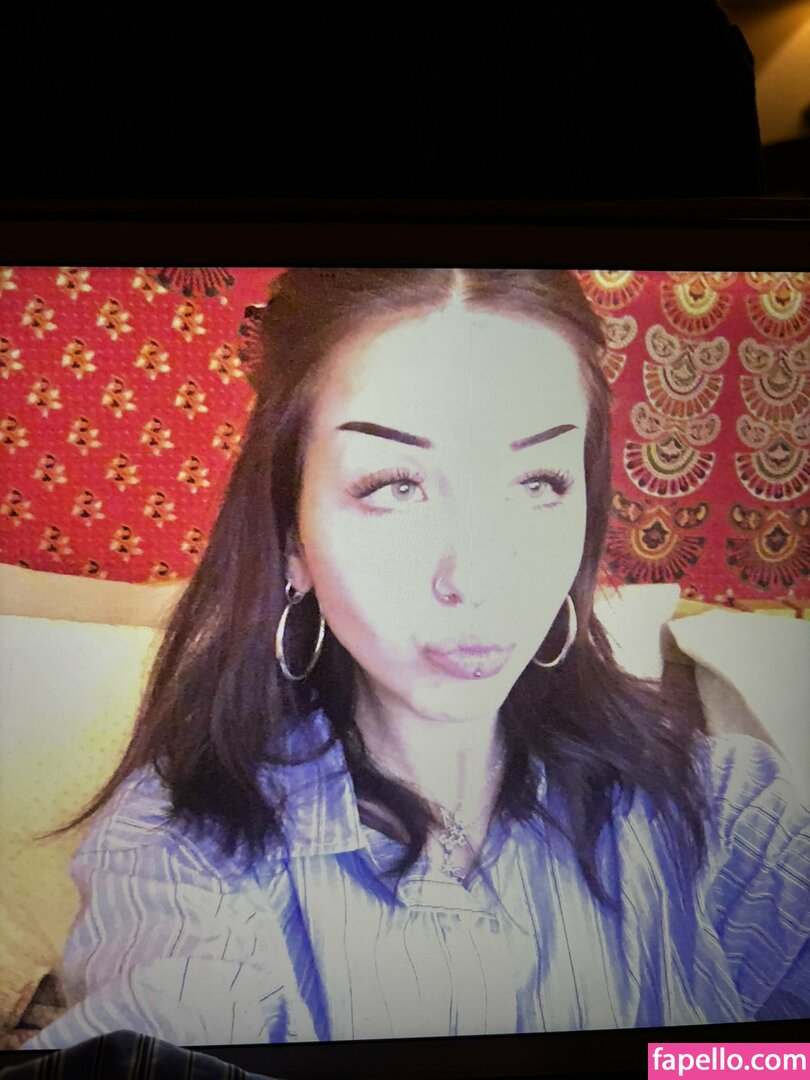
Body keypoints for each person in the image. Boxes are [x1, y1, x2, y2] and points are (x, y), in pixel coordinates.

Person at [24, 269, 809, 1049]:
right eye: (396, 486)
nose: (477, 579)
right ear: (293, 534)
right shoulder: (186, 850)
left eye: (538, 481)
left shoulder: (725, 812)